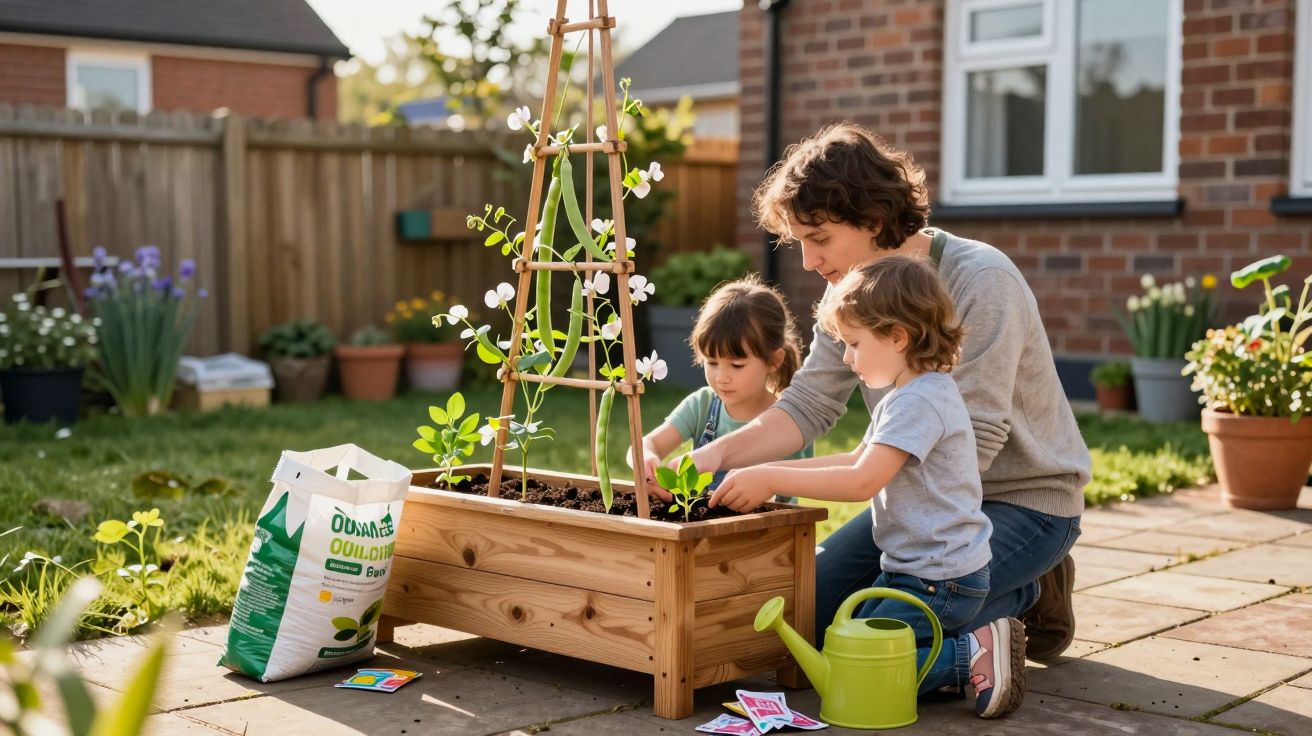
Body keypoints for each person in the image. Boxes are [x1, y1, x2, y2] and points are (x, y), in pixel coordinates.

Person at [680, 123, 1090, 662]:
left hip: (1023, 502)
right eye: (799, 242)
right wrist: (708, 458)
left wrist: (849, 479)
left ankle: (1030, 588)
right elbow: (806, 405)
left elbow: (975, 447)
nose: (807, 261)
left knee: (884, 646)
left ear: (872, 219)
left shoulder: (983, 280)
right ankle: (1001, 590)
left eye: (819, 239)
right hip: (913, 502)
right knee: (806, 619)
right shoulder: (848, 295)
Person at [712, 257, 1024, 718]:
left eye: (855, 343)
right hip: (913, 570)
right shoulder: (906, 395)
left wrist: (772, 477)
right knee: (846, 639)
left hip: (940, 579)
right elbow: (858, 459)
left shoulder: (922, 400)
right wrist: (771, 469)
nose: (846, 357)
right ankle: (949, 659)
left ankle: (971, 654)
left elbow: (862, 481)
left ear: (898, 336)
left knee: (853, 663)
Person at [639, 277, 810, 500]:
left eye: (737, 365)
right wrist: (645, 457)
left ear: (774, 360)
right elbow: (647, 443)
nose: (721, 378)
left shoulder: (789, 422)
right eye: (711, 362)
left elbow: (791, 495)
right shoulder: (702, 405)